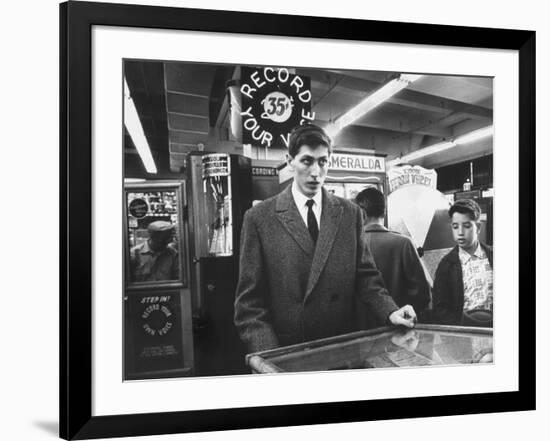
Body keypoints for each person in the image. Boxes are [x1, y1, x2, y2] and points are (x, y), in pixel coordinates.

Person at [234, 124, 417, 354]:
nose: (315, 172)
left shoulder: (350, 214)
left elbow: (366, 277)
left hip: (342, 350)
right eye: (307, 161)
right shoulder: (260, 219)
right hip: (290, 354)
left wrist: (390, 311)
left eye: (322, 162)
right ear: (290, 161)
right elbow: (249, 306)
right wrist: (271, 357)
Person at [354, 187, 430, 327]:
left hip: (359, 334)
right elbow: (423, 294)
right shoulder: (404, 243)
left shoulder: (350, 245)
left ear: (361, 213)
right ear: (385, 211)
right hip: (399, 329)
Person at [431, 199, 493, 326]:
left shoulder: (493, 256)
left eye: (466, 226)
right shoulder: (446, 265)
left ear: (478, 227)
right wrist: (459, 325)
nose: (460, 232)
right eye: (455, 227)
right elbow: (440, 308)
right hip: (465, 331)